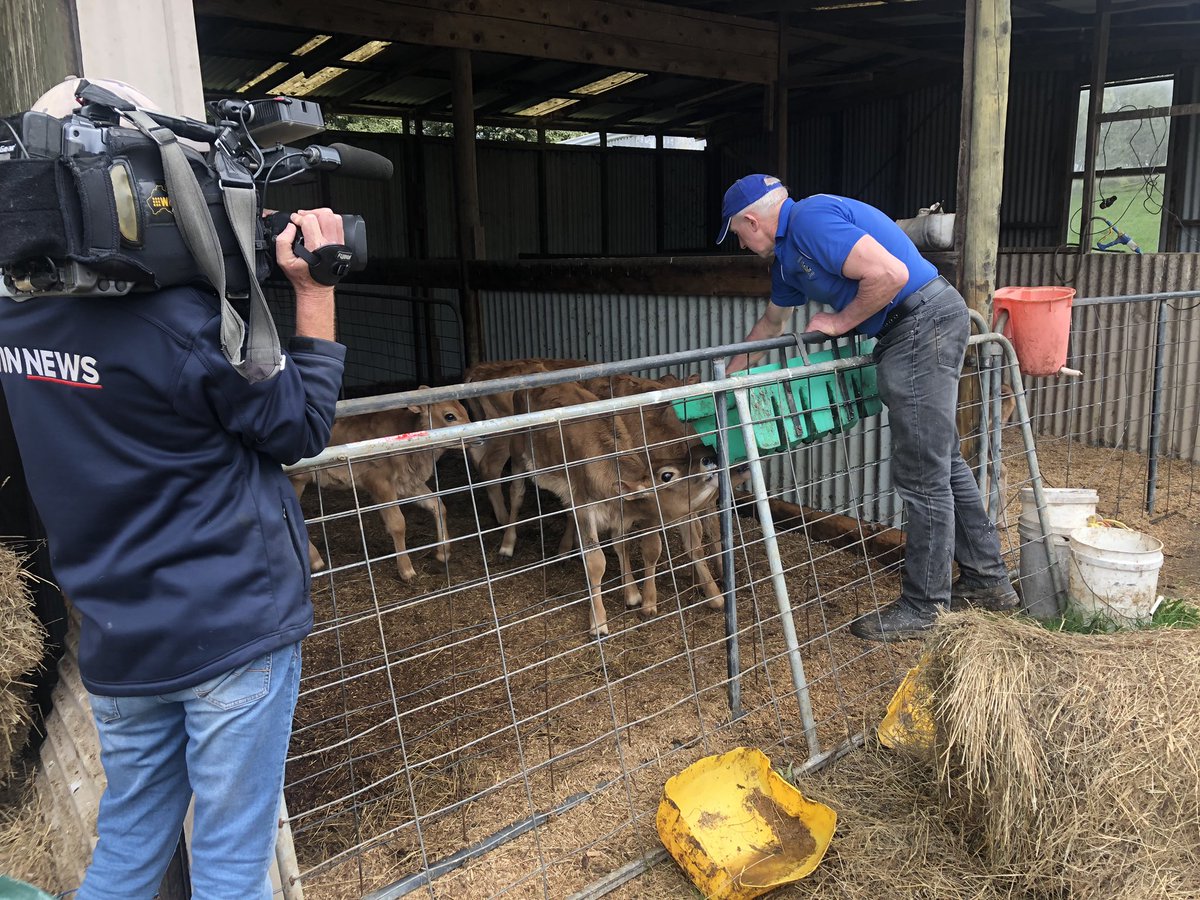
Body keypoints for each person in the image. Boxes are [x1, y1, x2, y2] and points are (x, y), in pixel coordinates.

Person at [0, 79, 346, 898]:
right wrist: (315, 288)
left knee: (128, 847)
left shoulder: (14, 327)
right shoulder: (181, 328)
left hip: (123, 639)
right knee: (232, 860)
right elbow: (298, 427)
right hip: (229, 626)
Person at [717, 174, 1017, 641]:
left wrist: (839, 320)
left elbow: (889, 275)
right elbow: (771, 324)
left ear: (752, 220)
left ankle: (925, 606)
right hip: (912, 328)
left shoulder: (811, 219)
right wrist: (727, 379)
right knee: (942, 463)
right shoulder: (786, 261)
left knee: (922, 471)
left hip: (921, 323)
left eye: (737, 231)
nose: (738, 242)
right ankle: (987, 580)